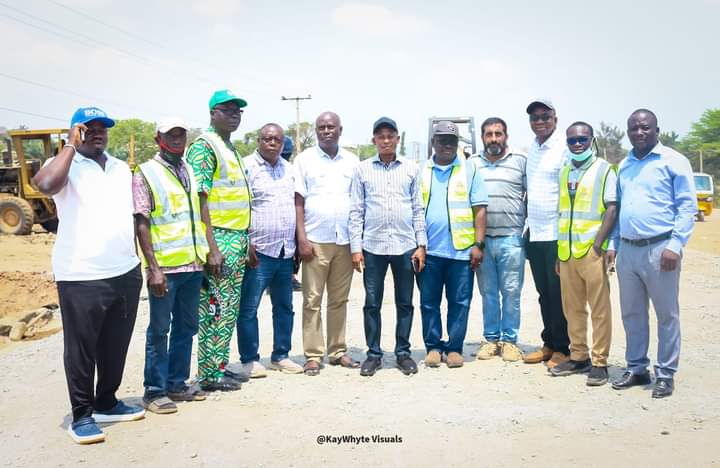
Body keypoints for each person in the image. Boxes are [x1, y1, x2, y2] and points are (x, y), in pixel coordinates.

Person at [33, 107, 144, 444]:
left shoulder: (121, 167)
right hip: (81, 274)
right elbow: (46, 185)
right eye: (89, 128)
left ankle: (106, 401)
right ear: (75, 132)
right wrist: (69, 146)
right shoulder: (65, 167)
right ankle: (81, 415)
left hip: (124, 270)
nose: (97, 133)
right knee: (81, 349)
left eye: (102, 128)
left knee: (115, 345)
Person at [607, 109, 696, 398]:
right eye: (633, 128)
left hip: (661, 250)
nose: (639, 133)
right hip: (629, 251)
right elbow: (620, 209)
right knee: (632, 314)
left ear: (657, 129)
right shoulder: (625, 165)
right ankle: (636, 367)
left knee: (666, 314)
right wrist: (614, 245)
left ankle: (666, 373)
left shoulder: (673, 161)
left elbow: (687, 207)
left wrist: (675, 244)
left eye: (645, 127)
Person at [133, 118, 209, 413]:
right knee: (160, 330)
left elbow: (197, 214)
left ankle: (177, 383)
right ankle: (154, 390)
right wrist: (153, 268)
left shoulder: (188, 168)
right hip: (165, 268)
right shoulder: (146, 173)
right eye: (171, 135)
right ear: (158, 138)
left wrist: (205, 254)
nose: (177, 139)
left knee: (187, 327)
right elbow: (142, 222)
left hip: (191, 265)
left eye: (181, 134)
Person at [349, 117, 427, 377]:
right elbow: (357, 210)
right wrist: (355, 248)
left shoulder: (411, 168)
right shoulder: (362, 169)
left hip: (405, 246)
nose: (385, 140)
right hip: (373, 247)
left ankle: (403, 353)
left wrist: (421, 245)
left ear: (397, 139)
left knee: (405, 302)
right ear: (374, 140)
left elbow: (418, 209)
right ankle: (374, 354)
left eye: (390, 135)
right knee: (372, 303)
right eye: (380, 136)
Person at [185, 90, 252, 391]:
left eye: (238, 111)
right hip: (219, 241)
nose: (234, 115)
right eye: (227, 110)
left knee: (228, 310)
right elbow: (199, 199)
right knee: (215, 308)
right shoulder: (205, 147)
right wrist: (211, 248)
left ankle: (220, 366)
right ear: (213, 113)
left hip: (236, 240)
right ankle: (210, 375)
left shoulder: (230, 148)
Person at [551, 122, 617, 386]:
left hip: (592, 251)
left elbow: (612, 208)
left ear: (591, 140)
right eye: (572, 141)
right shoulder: (565, 171)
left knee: (600, 309)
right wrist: (559, 252)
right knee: (572, 308)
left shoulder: (604, 169)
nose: (577, 145)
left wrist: (600, 244)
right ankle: (579, 355)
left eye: (582, 140)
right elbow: (563, 213)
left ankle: (600, 362)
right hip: (567, 253)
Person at [417, 121, 487, 369]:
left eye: (452, 141)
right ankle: (434, 347)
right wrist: (418, 245)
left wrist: (479, 244)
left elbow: (480, 210)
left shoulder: (470, 170)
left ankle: (455, 348)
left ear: (458, 144)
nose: (447, 145)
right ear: (433, 142)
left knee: (460, 302)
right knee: (429, 301)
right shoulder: (420, 170)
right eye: (442, 140)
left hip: (461, 251)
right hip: (429, 250)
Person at [295, 112, 360, 376]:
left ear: (340, 130)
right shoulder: (304, 160)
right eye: (321, 127)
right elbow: (298, 200)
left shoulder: (353, 162)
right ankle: (312, 354)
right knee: (312, 300)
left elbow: (358, 203)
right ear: (316, 131)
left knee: (339, 300)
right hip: (315, 241)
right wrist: (301, 238)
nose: (326, 131)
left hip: (344, 242)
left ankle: (337, 351)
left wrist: (358, 243)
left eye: (331, 127)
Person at [235, 124, 303, 376]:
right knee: (249, 308)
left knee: (284, 307)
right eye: (267, 139)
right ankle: (249, 359)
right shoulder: (246, 167)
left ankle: (281, 355)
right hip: (258, 252)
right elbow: (239, 206)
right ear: (258, 140)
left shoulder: (290, 169)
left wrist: (297, 243)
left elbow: (296, 206)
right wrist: (246, 241)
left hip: (285, 252)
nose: (273, 143)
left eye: (277, 139)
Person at [472, 117, 527, 362]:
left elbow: (531, 197)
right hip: (483, 240)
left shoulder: (520, 161)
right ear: (483, 137)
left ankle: (510, 341)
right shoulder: (472, 163)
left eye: (498, 134)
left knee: (512, 293)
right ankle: (491, 339)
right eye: (489, 134)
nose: (494, 139)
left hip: (511, 239)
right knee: (488, 293)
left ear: (506, 136)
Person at [523, 99, 570, 368]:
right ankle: (549, 343)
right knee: (543, 294)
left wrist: (564, 238)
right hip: (535, 233)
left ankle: (564, 348)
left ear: (555, 118)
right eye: (534, 118)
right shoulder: (533, 148)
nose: (539, 121)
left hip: (555, 234)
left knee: (559, 294)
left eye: (545, 116)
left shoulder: (564, 148)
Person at [280, 135, 303, 292]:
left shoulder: (292, 171)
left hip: (292, 219)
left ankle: (291, 276)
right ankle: (289, 277)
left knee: (293, 251)